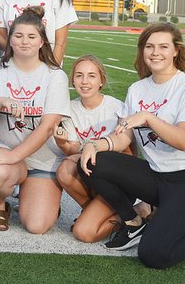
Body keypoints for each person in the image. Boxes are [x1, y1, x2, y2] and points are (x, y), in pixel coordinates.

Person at [79, 23, 185, 268]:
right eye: (150, 46)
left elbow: (183, 140)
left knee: (154, 255)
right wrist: (95, 144)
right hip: (158, 178)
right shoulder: (138, 89)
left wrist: (149, 117)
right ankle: (133, 221)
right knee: (92, 163)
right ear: (142, 50)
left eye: (163, 47)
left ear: (175, 51)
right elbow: (124, 137)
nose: (155, 52)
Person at [0, 7, 70, 233]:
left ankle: (37, 195)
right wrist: (2, 101)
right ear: (10, 40)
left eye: (31, 36)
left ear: (42, 42)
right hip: (3, 146)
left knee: (37, 226)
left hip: (42, 155)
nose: (24, 41)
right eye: (18, 35)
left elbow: (47, 128)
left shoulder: (54, 75)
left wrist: (15, 156)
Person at [53, 55, 138, 242]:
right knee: (65, 169)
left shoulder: (117, 108)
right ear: (72, 80)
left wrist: (92, 148)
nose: (85, 81)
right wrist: (62, 143)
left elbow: (129, 153)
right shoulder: (68, 109)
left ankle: (133, 212)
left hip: (116, 182)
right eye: (79, 75)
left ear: (101, 81)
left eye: (91, 76)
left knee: (83, 233)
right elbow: (71, 151)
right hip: (92, 179)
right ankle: (96, 210)